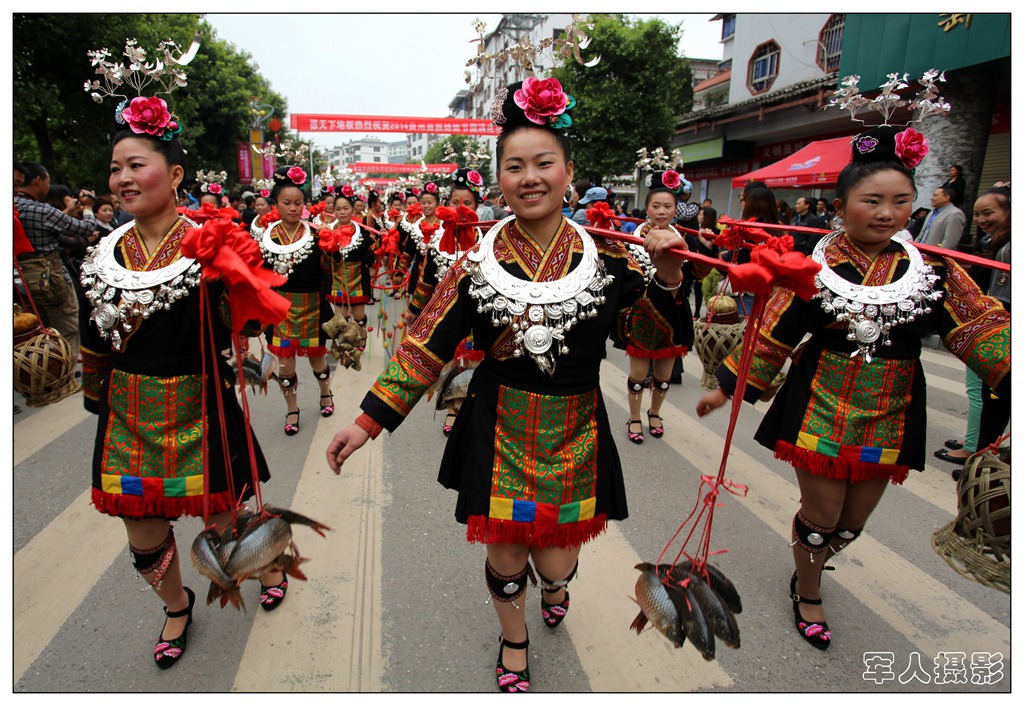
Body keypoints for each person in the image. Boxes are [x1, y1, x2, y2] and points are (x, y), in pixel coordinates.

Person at [326, 78, 687, 692]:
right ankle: (513, 640)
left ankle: (556, 583)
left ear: (568, 170)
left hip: (576, 428)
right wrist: (367, 422)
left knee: (556, 557)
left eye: (544, 162)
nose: (530, 176)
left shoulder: (613, 259)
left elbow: (642, 334)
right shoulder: (474, 261)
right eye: (514, 165)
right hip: (497, 430)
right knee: (505, 555)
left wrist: (670, 276)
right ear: (500, 179)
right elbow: (424, 346)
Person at [695, 124, 1010, 651]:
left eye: (901, 201)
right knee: (820, 518)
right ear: (841, 207)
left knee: (851, 523)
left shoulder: (932, 270)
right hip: (819, 401)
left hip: (893, 407)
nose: (887, 213)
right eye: (872, 201)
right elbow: (773, 330)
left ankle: (816, 560)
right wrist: (727, 386)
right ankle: (809, 588)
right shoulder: (814, 265)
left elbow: (980, 329)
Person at [79, 84, 284, 670]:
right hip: (128, 417)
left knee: (228, 521)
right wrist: (98, 401)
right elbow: (95, 341)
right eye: (115, 167)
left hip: (201, 407)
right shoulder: (101, 254)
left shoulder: (211, 242)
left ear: (174, 174)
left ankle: (267, 564)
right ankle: (176, 604)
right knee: (143, 539)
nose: (122, 177)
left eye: (136, 165)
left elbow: (248, 314)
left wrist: (233, 271)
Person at [933, 185, 1011, 475]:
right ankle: (979, 449)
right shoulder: (999, 241)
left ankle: (978, 455)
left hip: (998, 330)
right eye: (977, 213)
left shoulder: (1010, 245)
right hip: (996, 325)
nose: (980, 219)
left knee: (987, 392)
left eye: (988, 212)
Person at [260, 165, 335, 434]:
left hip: (313, 305)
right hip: (279, 308)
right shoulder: (264, 237)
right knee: (285, 363)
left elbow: (328, 271)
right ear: (275, 205)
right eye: (286, 202)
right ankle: (292, 408)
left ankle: (325, 392)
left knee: (317, 360)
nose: (293, 208)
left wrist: (332, 249)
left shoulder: (316, 234)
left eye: (298, 203)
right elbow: (260, 274)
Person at [623, 169, 695, 443]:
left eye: (668, 206)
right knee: (638, 375)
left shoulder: (684, 240)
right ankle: (635, 416)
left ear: (676, 209)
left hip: (674, 314)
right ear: (647, 209)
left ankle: (655, 412)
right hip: (643, 313)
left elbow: (695, 274)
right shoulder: (633, 240)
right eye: (656, 206)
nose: (662, 211)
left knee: (664, 375)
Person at [14, 161, 97, 367]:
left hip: (21, 283)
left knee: (33, 330)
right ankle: (62, 378)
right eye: (47, 181)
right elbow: (86, 229)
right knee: (66, 329)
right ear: (38, 180)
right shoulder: (42, 210)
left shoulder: (14, 206)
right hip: (52, 281)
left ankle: (37, 375)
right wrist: (87, 208)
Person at [917, 185, 965, 250]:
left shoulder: (955, 214)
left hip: (934, 256)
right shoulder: (931, 213)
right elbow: (922, 233)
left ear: (946, 198)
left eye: (935, 195)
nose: (932, 198)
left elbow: (950, 241)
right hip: (920, 251)